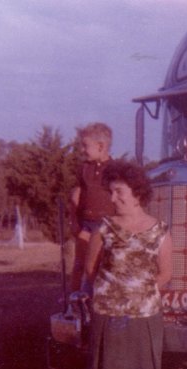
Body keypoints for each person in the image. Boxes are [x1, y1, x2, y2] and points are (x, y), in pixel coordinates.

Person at [84, 160, 172, 369]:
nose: (114, 198)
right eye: (111, 192)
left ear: (136, 193)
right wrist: (115, 291)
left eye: (119, 192)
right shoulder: (103, 229)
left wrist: (139, 290)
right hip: (109, 315)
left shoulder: (159, 230)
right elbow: (91, 271)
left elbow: (165, 274)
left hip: (143, 315)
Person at [69, 122, 114, 291]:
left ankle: (99, 302)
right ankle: (73, 305)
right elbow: (77, 194)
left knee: (101, 267)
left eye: (85, 146)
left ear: (101, 146)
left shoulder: (115, 169)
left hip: (107, 227)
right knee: (80, 264)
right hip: (86, 225)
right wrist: (74, 221)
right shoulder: (83, 168)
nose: (82, 150)